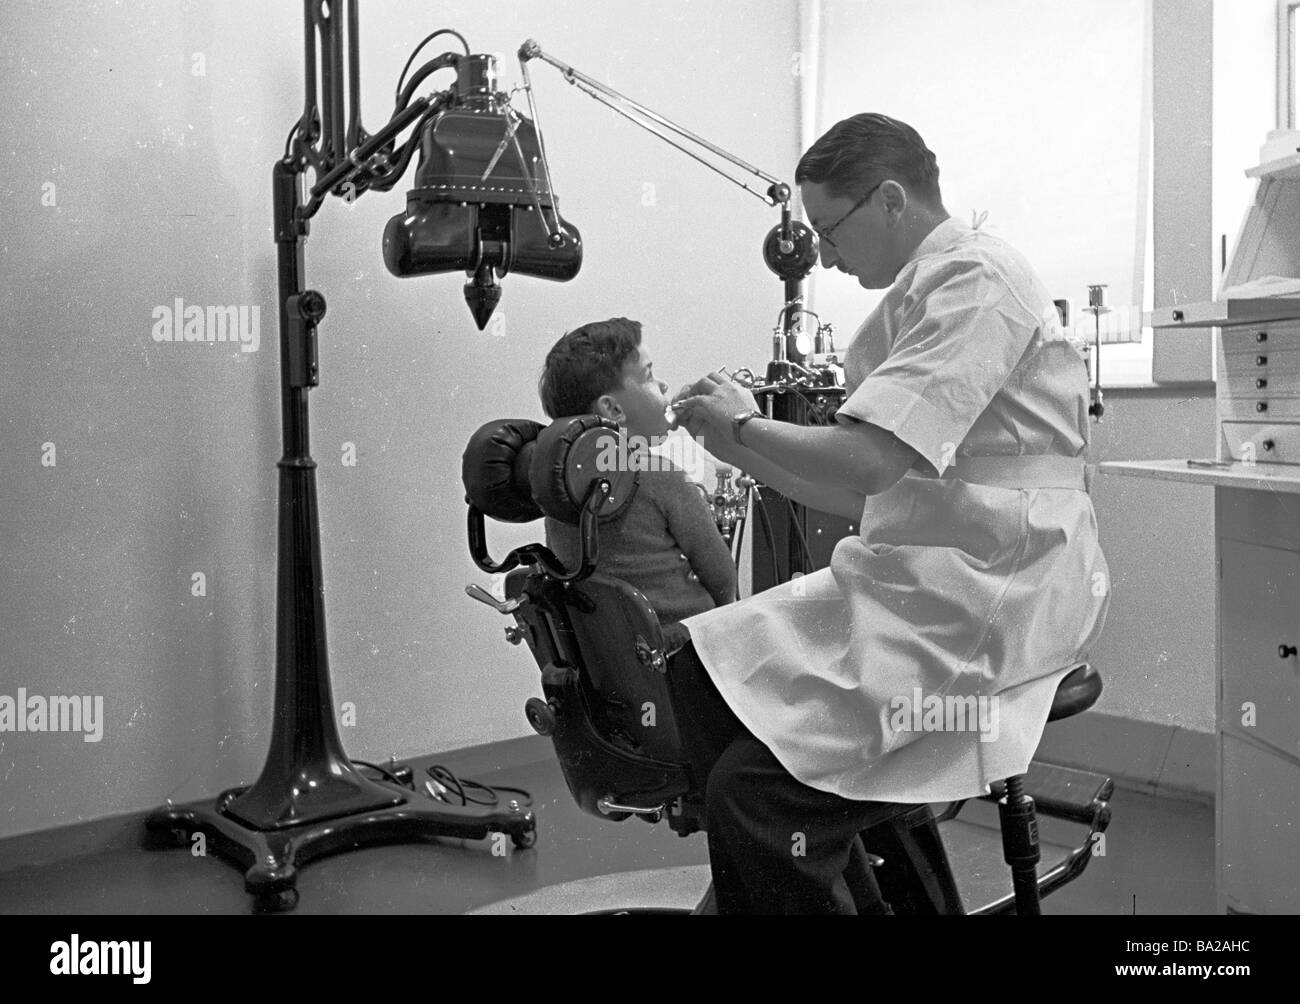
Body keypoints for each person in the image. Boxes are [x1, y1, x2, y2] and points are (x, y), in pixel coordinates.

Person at [667, 113, 1112, 914]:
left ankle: (787, 866)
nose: (825, 256)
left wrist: (742, 423)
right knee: (694, 666)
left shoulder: (978, 280)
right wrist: (735, 448)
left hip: (998, 585)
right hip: (929, 569)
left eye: (829, 231)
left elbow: (869, 461)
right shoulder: (920, 295)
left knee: (755, 790)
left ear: (892, 199)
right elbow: (860, 492)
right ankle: (831, 885)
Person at [537, 318, 737, 636]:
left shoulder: (557, 491)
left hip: (621, 664)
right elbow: (724, 580)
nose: (663, 386)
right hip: (689, 654)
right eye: (649, 375)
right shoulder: (664, 477)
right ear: (613, 410)